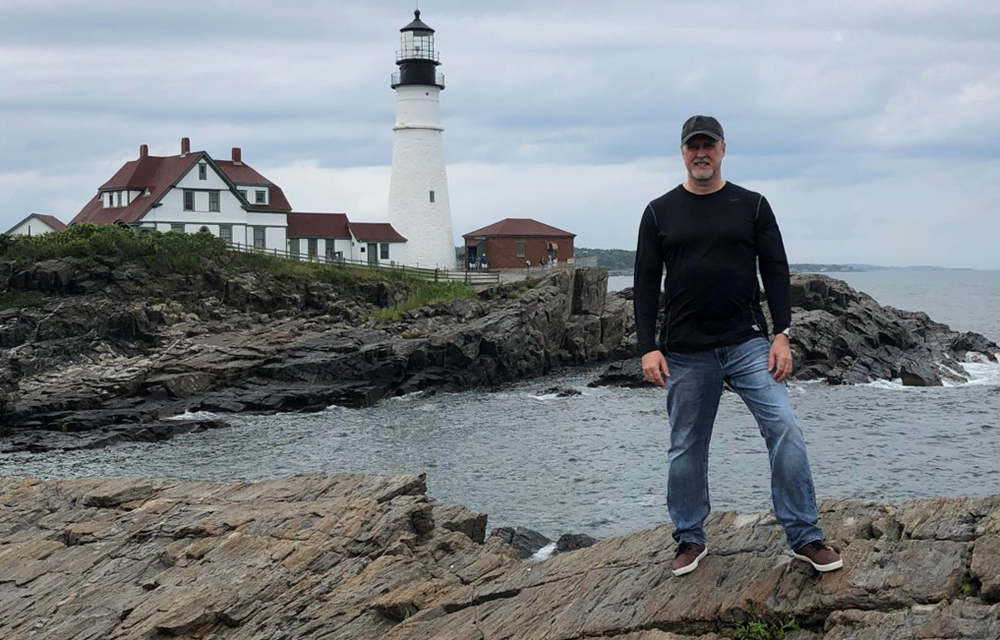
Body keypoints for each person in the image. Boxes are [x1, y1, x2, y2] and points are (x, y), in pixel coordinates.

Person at [633, 115, 842, 577]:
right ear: (683, 153)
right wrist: (648, 347)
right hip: (685, 350)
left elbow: (775, 268)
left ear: (723, 149)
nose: (701, 153)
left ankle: (804, 535)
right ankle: (689, 538)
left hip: (747, 343)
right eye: (693, 147)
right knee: (685, 445)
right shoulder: (658, 212)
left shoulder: (753, 205)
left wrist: (782, 332)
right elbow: (646, 283)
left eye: (708, 145)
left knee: (784, 426)